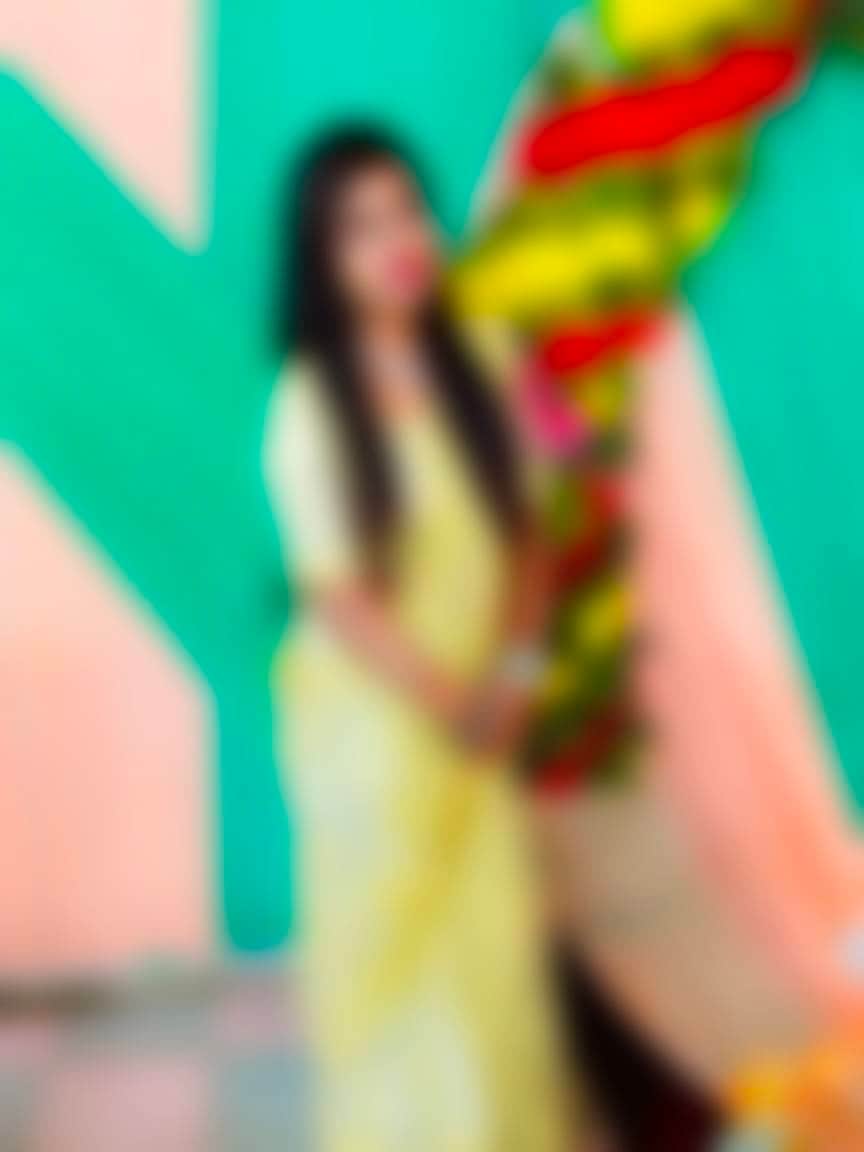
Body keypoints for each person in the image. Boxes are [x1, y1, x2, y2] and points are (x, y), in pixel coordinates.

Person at [265, 127, 571, 1152]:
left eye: (406, 211)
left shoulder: (483, 358)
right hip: (377, 747)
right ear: (323, 263)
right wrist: (456, 706)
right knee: (405, 1003)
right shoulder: (311, 404)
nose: (396, 241)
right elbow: (338, 599)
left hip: (483, 725)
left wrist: (516, 676)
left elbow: (530, 539)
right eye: (360, 228)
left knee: (495, 976)